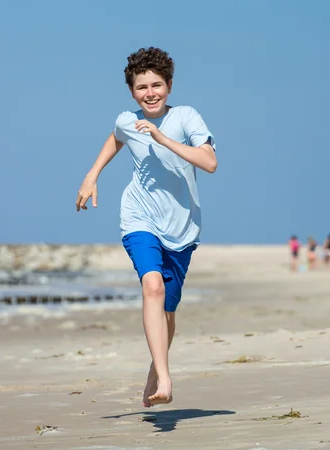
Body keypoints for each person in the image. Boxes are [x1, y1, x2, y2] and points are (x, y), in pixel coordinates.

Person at [75, 47, 218, 408]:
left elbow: (210, 162)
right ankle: (166, 377)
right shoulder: (128, 120)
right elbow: (117, 136)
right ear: (132, 91)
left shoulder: (185, 117)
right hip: (139, 218)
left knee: (168, 310)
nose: (150, 93)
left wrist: (163, 139)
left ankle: (156, 370)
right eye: (142, 87)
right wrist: (92, 175)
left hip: (183, 228)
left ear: (169, 85)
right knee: (151, 287)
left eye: (156, 85)